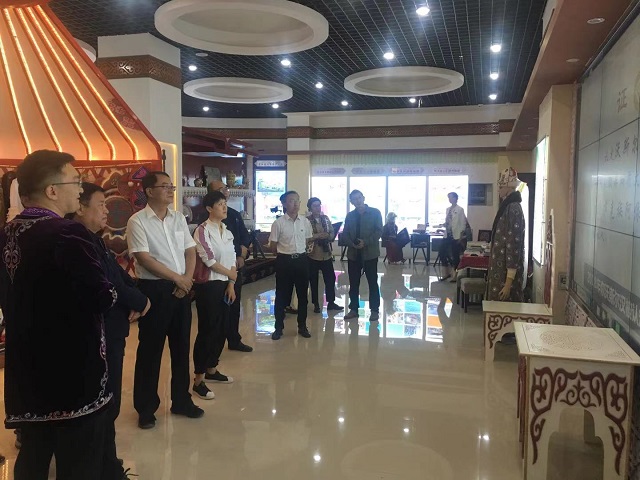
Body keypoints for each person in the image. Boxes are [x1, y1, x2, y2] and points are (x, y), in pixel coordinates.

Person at [0, 150, 116, 479]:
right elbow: (102, 296)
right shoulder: (68, 232)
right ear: (52, 190)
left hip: (25, 371)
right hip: (72, 373)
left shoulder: (6, 233)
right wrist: (114, 292)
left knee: (33, 457)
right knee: (78, 462)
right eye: (75, 181)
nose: (80, 189)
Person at [70, 183, 149, 478]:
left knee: (109, 401)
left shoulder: (95, 239)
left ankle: (107, 462)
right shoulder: (77, 241)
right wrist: (141, 301)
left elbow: (118, 275)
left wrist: (139, 298)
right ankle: (104, 467)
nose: (107, 211)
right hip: (99, 333)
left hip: (114, 330)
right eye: (101, 204)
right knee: (102, 402)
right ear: (80, 207)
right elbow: (108, 283)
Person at [127, 171, 203, 429]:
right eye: (165, 186)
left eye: (172, 186)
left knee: (181, 348)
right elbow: (144, 258)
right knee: (150, 350)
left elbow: (190, 250)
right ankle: (146, 408)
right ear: (149, 191)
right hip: (155, 290)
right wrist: (177, 278)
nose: (171, 190)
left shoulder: (178, 217)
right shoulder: (138, 221)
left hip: (182, 288)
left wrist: (186, 279)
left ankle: (181, 400)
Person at [191, 191, 237, 401]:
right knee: (208, 331)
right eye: (220, 204)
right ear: (209, 208)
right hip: (209, 286)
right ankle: (198, 380)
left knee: (222, 329)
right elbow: (208, 260)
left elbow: (232, 258)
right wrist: (230, 275)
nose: (224, 207)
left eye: (225, 203)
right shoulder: (202, 230)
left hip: (226, 285)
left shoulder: (226, 231)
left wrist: (231, 283)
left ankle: (212, 369)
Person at [208, 180, 253, 352]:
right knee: (217, 311)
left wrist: (241, 255)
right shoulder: (204, 222)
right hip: (215, 273)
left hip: (234, 268)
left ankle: (234, 339)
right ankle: (214, 346)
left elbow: (244, 237)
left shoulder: (233, 214)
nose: (225, 191)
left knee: (234, 305)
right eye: (221, 189)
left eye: (226, 188)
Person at [267, 191, 313, 340]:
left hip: (301, 261)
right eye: (291, 201)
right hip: (284, 261)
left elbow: (307, 240)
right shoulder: (278, 223)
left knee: (303, 296)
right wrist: (285, 253)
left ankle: (302, 326)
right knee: (281, 295)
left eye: (297, 200)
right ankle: (278, 327)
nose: (295, 204)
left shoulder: (305, 222)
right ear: (284, 204)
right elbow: (273, 246)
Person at [486, 168, 527, 302]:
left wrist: (508, 282)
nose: (498, 190)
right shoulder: (508, 206)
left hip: (504, 276)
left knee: (504, 310)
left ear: (509, 187)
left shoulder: (513, 208)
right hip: (500, 271)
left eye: (501, 186)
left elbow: (513, 245)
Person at [342, 190, 383, 321]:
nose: (358, 200)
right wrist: (352, 244)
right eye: (354, 199)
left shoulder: (375, 213)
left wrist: (366, 242)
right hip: (354, 254)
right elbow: (345, 233)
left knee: (372, 282)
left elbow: (379, 231)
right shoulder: (350, 216)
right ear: (351, 202)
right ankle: (354, 309)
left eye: (359, 198)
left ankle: (374, 310)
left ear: (363, 198)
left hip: (370, 254)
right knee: (353, 283)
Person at [306, 197, 343, 313]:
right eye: (315, 206)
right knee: (314, 280)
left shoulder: (325, 218)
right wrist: (317, 236)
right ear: (310, 208)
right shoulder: (306, 221)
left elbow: (332, 232)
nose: (318, 208)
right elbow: (305, 236)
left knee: (330, 279)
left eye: (319, 205)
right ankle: (316, 303)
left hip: (326, 254)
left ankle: (331, 302)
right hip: (313, 254)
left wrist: (328, 236)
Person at [440, 192, 468, 282]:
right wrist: (443, 224)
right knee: (442, 253)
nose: (450, 199)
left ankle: (455, 275)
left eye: (451, 197)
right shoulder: (448, 209)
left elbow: (463, 223)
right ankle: (446, 272)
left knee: (455, 255)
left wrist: (460, 236)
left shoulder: (460, 209)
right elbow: (449, 222)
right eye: (449, 198)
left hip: (456, 235)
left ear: (456, 198)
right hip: (447, 235)